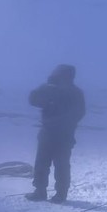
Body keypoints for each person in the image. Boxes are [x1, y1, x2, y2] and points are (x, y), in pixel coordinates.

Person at [26, 64, 85, 203]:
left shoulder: (76, 93)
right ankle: (39, 191)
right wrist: (45, 87)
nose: (57, 77)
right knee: (41, 163)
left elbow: (79, 113)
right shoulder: (50, 89)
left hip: (64, 135)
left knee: (62, 165)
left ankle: (61, 194)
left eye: (59, 74)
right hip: (47, 133)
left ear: (68, 76)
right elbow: (33, 100)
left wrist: (62, 124)